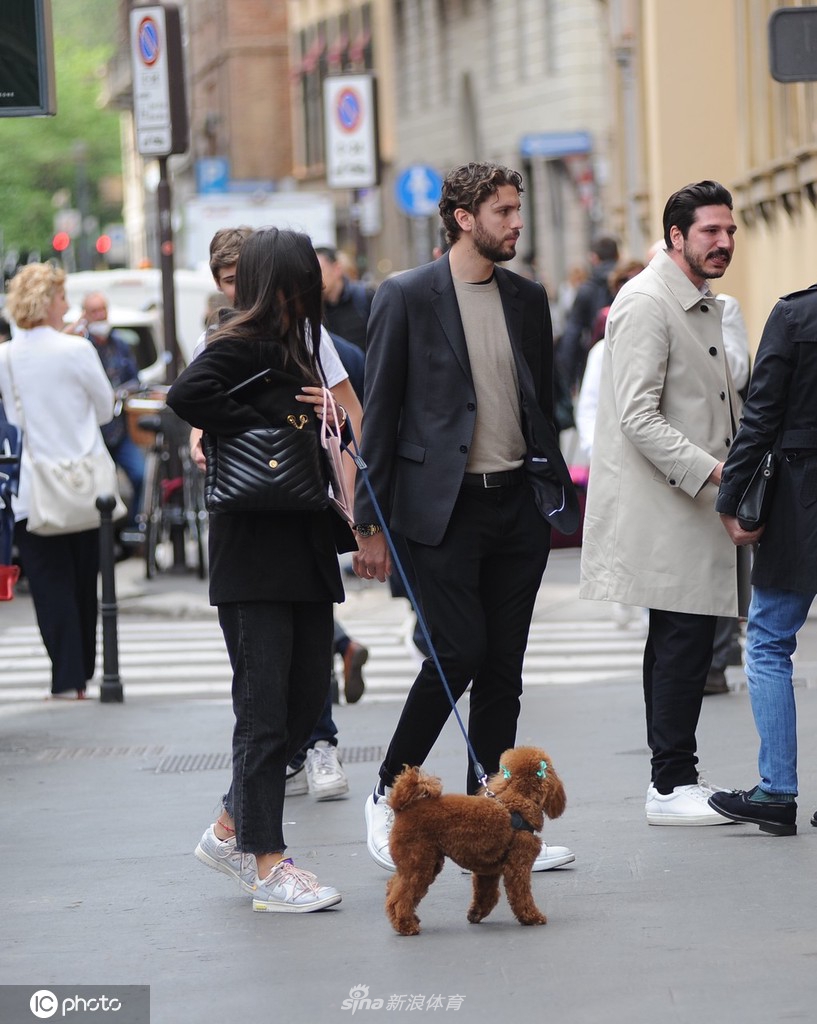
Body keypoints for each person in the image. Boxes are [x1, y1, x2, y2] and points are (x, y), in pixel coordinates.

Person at [354, 161, 579, 873]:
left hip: (517, 506)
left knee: (504, 668)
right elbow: (380, 414)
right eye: (503, 211)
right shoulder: (405, 296)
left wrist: (548, 487)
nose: (516, 222)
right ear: (463, 218)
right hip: (441, 509)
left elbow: (539, 401)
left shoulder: (526, 297)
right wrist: (367, 524)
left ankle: (501, 822)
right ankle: (388, 789)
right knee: (457, 652)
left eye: (517, 209)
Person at [166, 227, 351, 912]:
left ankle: (229, 828)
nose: (315, 289)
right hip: (253, 549)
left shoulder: (300, 343)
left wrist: (325, 418)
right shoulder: (238, 340)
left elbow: (326, 436)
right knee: (264, 710)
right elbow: (188, 396)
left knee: (304, 704)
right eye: (305, 279)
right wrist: (264, 419)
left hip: (304, 538)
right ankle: (265, 861)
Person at [580, 180, 742, 826]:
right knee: (682, 640)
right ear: (676, 236)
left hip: (690, 503)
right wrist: (717, 473)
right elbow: (637, 416)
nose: (723, 242)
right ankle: (671, 784)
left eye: (729, 231)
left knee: (682, 639)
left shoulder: (699, 301)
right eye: (710, 231)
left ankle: (673, 777)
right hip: (670, 504)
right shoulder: (647, 301)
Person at [707, 283, 817, 836]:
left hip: (802, 501)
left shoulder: (797, 315)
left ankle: (777, 791)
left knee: (770, 641)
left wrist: (731, 500)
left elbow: (761, 416)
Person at [0, 264, 115, 698]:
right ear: (48, 301)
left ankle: (67, 678)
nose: (67, 305)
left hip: (33, 487)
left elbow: (13, 420)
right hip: (84, 486)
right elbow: (104, 409)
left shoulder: (6, 357)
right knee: (85, 581)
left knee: (49, 587)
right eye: (62, 296)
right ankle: (84, 669)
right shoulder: (77, 349)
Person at [66, 292, 145, 531]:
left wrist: (119, 393)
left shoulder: (119, 344)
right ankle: (103, 536)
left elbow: (135, 379)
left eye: (103, 309)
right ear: (84, 315)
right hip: (93, 432)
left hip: (119, 428)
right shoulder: (80, 346)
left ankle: (134, 530)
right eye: (94, 311)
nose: (100, 315)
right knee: (98, 487)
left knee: (140, 474)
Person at [557, 236, 619, 392]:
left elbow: (572, 334)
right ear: (617, 255)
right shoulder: (630, 282)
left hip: (596, 362)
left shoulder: (587, 289)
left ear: (594, 258)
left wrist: (567, 377)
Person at [315, 246, 376, 350]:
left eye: (319, 271)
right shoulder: (313, 309)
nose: (315, 278)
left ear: (337, 269)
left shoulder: (365, 297)